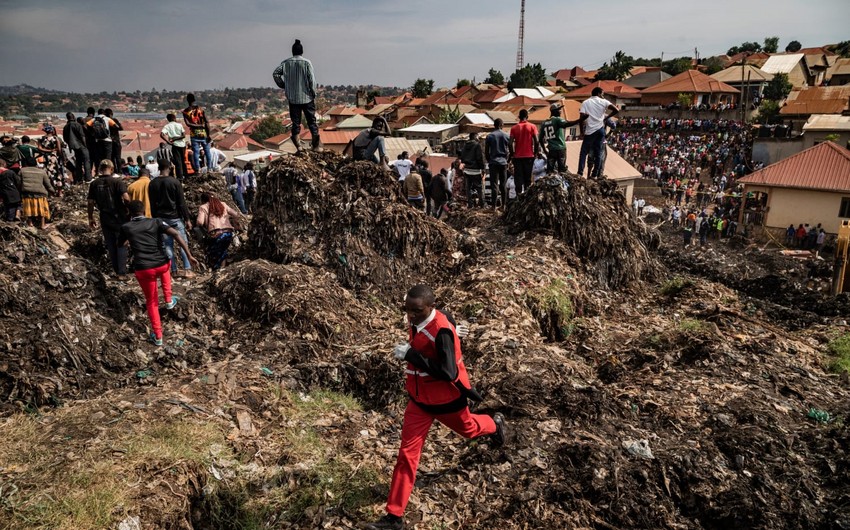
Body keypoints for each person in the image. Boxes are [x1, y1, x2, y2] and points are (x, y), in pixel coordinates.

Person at [366, 284, 506, 530]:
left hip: (446, 401)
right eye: (407, 309)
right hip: (419, 402)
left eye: (416, 311)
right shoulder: (424, 316)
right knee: (406, 456)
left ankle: (494, 424)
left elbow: (449, 372)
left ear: (430, 307)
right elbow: (447, 317)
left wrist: (412, 355)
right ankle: (394, 517)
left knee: (470, 429)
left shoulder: (441, 332)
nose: (410, 315)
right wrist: (455, 326)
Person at [120, 200, 198, 346]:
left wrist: (131, 240)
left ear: (129, 212)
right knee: (166, 264)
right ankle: (168, 300)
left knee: (152, 301)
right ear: (144, 210)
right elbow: (175, 233)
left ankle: (158, 336)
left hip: (144, 268)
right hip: (161, 265)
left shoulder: (126, 227)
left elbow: (121, 244)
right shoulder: (156, 222)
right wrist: (189, 255)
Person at [272, 39, 321, 151]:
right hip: (307, 97)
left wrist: (284, 85)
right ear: (302, 51)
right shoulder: (306, 63)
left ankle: (298, 146)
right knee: (311, 122)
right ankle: (315, 146)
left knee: (296, 123)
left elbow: (275, 74)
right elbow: (312, 81)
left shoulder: (286, 63)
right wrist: (313, 93)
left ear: (292, 51)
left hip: (293, 98)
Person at [149, 160, 195, 278]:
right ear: (169, 167)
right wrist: (187, 219)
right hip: (175, 218)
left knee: (167, 245)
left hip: (161, 219)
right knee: (182, 243)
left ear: (159, 168)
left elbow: (152, 204)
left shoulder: (152, 183)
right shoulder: (174, 182)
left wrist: (155, 220)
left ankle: (173, 270)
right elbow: (181, 203)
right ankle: (187, 270)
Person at [88, 160, 130, 276]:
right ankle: (121, 273)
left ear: (100, 169)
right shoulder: (117, 182)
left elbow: (90, 202)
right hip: (119, 216)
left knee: (111, 244)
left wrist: (90, 218)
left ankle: (117, 271)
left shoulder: (94, 184)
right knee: (121, 243)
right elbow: (126, 198)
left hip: (104, 216)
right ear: (111, 169)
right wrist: (129, 210)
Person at [577, 87, 619, 179]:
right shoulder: (604, 102)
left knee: (584, 152)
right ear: (599, 93)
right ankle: (595, 174)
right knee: (598, 153)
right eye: (602, 94)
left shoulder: (585, 102)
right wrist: (606, 118)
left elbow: (581, 119)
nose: (603, 96)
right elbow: (616, 110)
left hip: (590, 131)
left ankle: (580, 172)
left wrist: (581, 132)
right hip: (600, 130)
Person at [196, 192, 242, 269]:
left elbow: (200, 222)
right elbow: (236, 214)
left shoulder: (203, 207)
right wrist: (232, 222)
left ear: (203, 200)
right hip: (228, 233)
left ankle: (219, 268)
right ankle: (222, 267)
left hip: (216, 234)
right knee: (223, 250)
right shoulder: (223, 204)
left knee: (214, 252)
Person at [539, 102, 578, 173]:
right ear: (554, 111)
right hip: (560, 149)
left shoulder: (544, 123)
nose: (560, 111)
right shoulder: (557, 120)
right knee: (562, 170)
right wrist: (580, 120)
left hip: (551, 150)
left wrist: (544, 150)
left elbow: (540, 139)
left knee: (550, 171)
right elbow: (567, 124)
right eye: (559, 109)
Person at [509, 109, 539, 195]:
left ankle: (518, 197)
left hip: (518, 157)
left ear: (519, 117)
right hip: (529, 156)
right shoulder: (532, 126)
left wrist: (512, 155)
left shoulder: (514, 128)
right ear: (527, 117)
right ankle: (527, 197)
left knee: (518, 179)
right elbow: (536, 141)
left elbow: (510, 143)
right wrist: (535, 153)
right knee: (527, 179)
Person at [182, 94, 213, 173]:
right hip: (204, 133)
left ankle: (198, 169)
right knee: (207, 152)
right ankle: (209, 168)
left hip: (194, 134)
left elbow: (188, 124)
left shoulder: (185, 112)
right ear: (194, 100)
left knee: (196, 152)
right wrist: (209, 134)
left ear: (187, 100)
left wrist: (196, 126)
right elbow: (207, 122)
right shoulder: (200, 109)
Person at [485, 118, 510, 208]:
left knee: (494, 185)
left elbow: (486, 152)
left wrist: (489, 160)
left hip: (493, 163)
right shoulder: (506, 135)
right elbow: (511, 150)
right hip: (503, 163)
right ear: (501, 125)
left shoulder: (490, 136)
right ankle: (503, 205)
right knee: (503, 184)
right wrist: (508, 161)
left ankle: (493, 207)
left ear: (494, 125)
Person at [37, 124, 67, 197]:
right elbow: (59, 149)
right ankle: (59, 192)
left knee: (48, 174)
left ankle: (50, 192)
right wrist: (54, 152)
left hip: (45, 158)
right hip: (54, 158)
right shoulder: (56, 138)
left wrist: (47, 151)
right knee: (58, 174)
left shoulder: (41, 139)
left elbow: (39, 148)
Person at [63, 112, 90, 183]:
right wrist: (85, 145)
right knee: (86, 161)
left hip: (73, 147)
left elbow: (65, 139)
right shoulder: (77, 125)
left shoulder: (65, 127)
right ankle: (88, 178)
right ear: (73, 117)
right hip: (81, 145)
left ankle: (79, 178)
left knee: (78, 162)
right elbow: (82, 136)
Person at [459, 132, 485, 208]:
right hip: (475, 170)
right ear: (475, 137)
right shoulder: (477, 145)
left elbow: (462, 157)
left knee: (468, 188)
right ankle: (482, 204)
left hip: (467, 170)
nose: (478, 139)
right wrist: (482, 168)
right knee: (479, 188)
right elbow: (479, 158)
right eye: (477, 137)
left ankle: (470, 204)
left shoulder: (465, 146)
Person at [160, 114, 187, 180]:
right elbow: (183, 136)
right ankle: (185, 175)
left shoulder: (167, 126)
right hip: (183, 145)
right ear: (175, 118)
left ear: (168, 119)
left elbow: (161, 134)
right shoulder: (179, 125)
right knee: (183, 160)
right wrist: (177, 138)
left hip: (175, 145)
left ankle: (180, 177)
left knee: (178, 162)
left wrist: (169, 141)